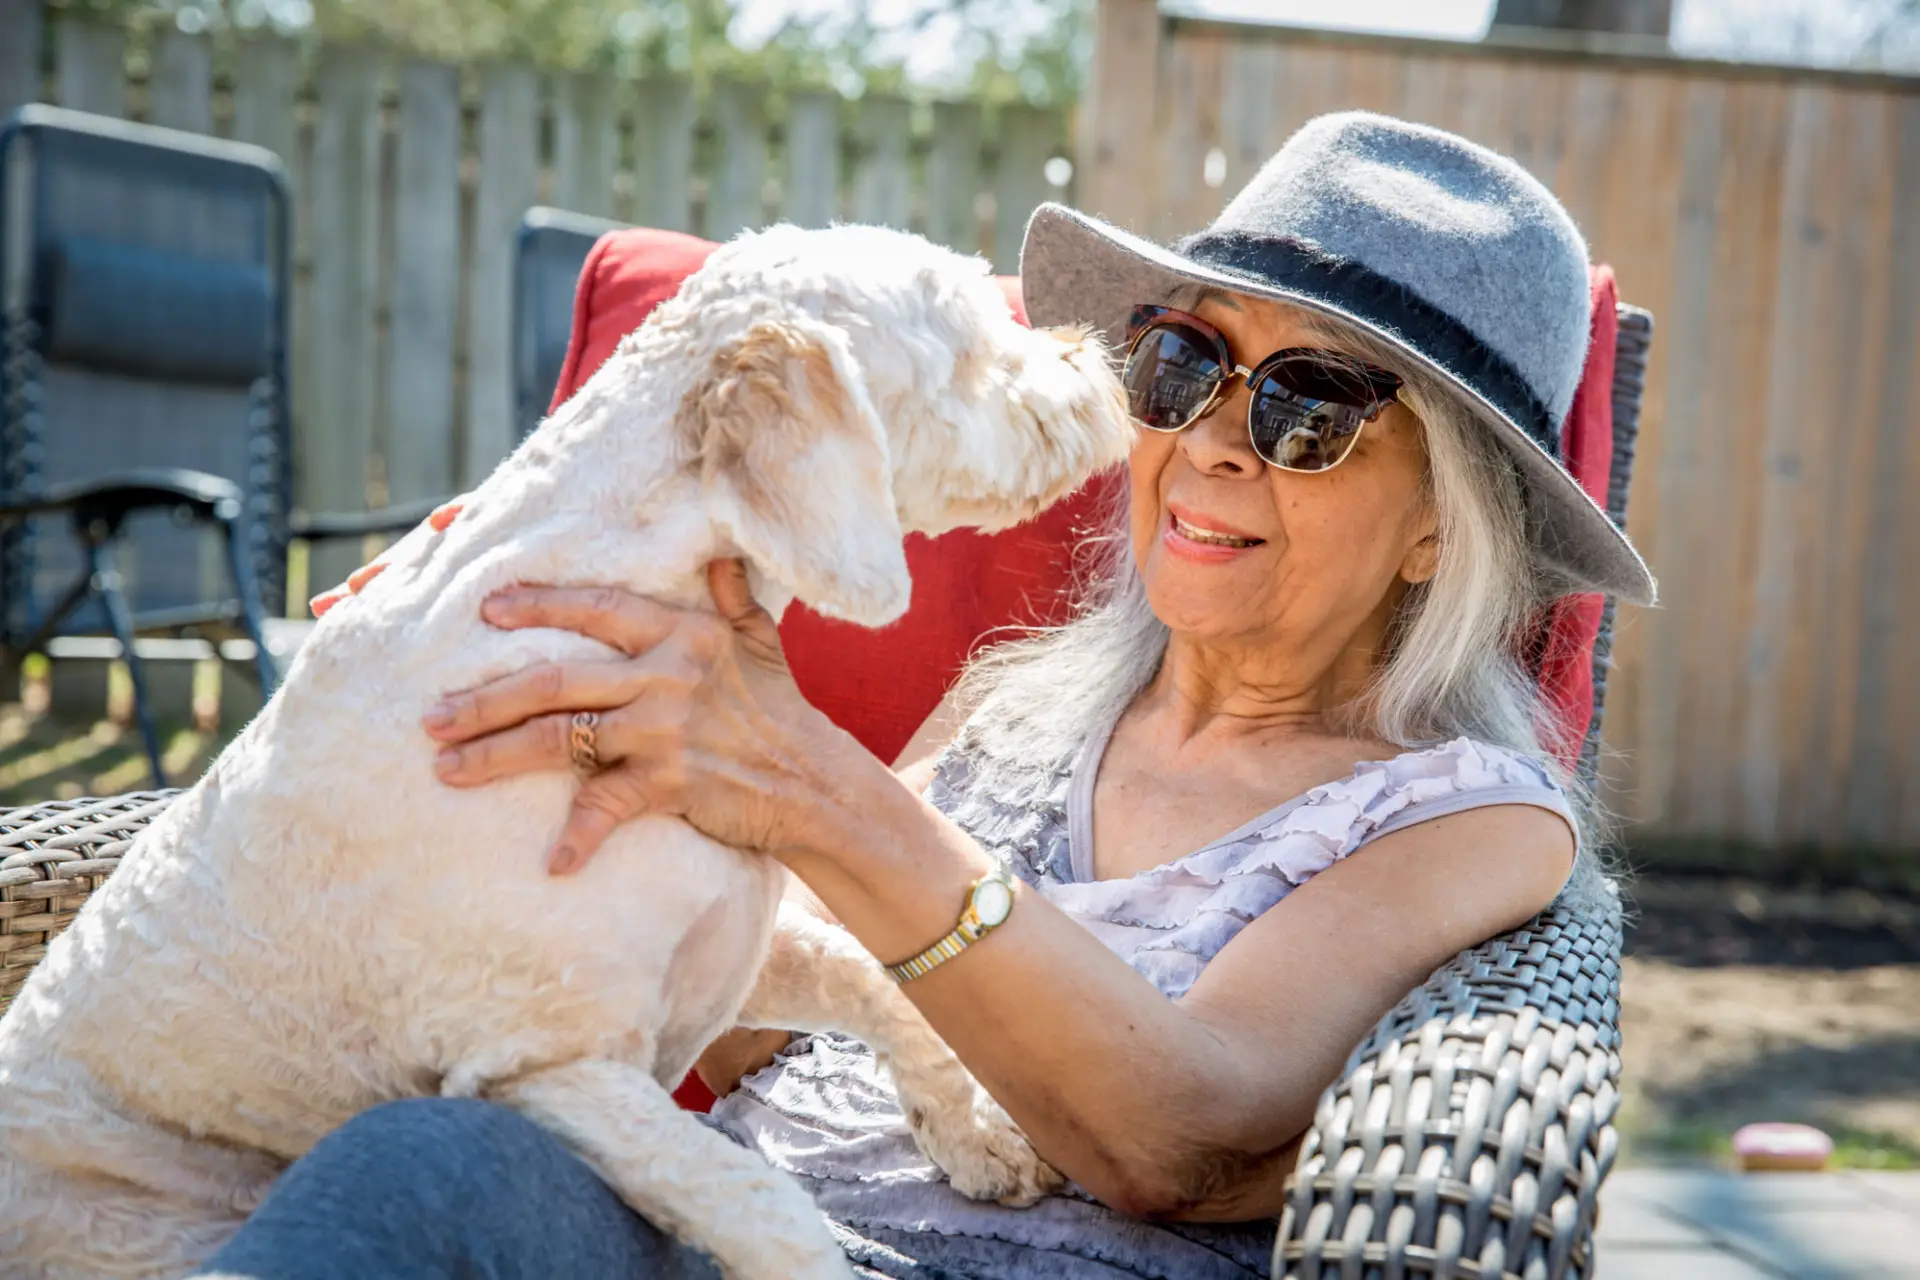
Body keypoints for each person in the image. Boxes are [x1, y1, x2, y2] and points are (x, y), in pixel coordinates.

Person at [205, 111, 1654, 1280]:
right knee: (419, 1170)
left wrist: (811, 787)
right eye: (1185, 361)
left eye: (1310, 406)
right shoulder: (1011, 702)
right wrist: (565, 762)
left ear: (1442, 528)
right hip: (709, 1220)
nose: (1213, 441)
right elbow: (736, 1029)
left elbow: (1178, 1131)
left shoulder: (1470, 820)